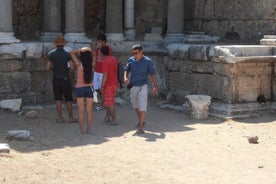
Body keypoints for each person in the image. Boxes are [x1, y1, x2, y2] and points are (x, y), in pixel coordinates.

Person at [124, 44, 158, 134]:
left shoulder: (148, 61)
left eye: (136, 53)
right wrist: (125, 77)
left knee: (142, 106)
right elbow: (126, 69)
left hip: (143, 86)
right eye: (133, 53)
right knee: (135, 105)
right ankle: (141, 121)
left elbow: (153, 74)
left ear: (141, 51)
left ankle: (141, 127)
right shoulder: (131, 60)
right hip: (133, 85)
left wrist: (155, 86)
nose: (135, 55)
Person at [46, 35, 77, 124]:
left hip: (56, 78)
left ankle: (60, 118)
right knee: (68, 99)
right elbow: (72, 67)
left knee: (58, 99)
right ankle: (71, 118)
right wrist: (67, 71)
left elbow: (48, 67)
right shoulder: (67, 55)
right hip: (65, 78)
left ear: (56, 45)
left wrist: (54, 69)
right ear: (64, 45)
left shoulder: (52, 55)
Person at [71, 47, 94, 134]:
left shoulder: (79, 64)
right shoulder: (92, 64)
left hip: (80, 88)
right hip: (89, 88)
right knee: (89, 110)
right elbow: (94, 54)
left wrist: (80, 50)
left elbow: (72, 53)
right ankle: (89, 129)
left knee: (81, 111)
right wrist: (89, 50)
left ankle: (81, 130)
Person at [92, 34, 112, 110]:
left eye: (100, 41)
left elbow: (108, 59)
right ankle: (104, 100)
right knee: (96, 88)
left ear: (103, 41)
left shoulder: (108, 49)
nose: (99, 43)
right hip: (97, 71)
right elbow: (95, 58)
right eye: (98, 41)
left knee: (102, 87)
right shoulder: (97, 50)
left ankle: (104, 103)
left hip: (103, 72)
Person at [100, 46, 119, 125]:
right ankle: (107, 117)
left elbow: (105, 75)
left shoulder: (105, 61)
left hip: (109, 84)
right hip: (115, 83)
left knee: (110, 103)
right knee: (109, 101)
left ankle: (114, 120)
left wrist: (102, 86)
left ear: (101, 53)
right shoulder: (113, 58)